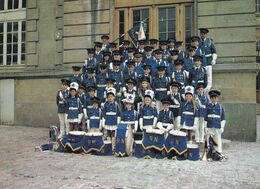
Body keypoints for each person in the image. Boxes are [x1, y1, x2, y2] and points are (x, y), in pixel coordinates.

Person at [199, 28, 217, 92]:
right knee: (201, 76)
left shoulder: (209, 41)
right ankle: (201, 90)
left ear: (206, 34)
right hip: (201, 62)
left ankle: (208, 90)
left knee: (209, 77)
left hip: (209, 61)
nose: (203, 35)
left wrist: (214, 59)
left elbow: (214, 51)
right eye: (201, 34)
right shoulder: (198, 42)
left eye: (204, 34)